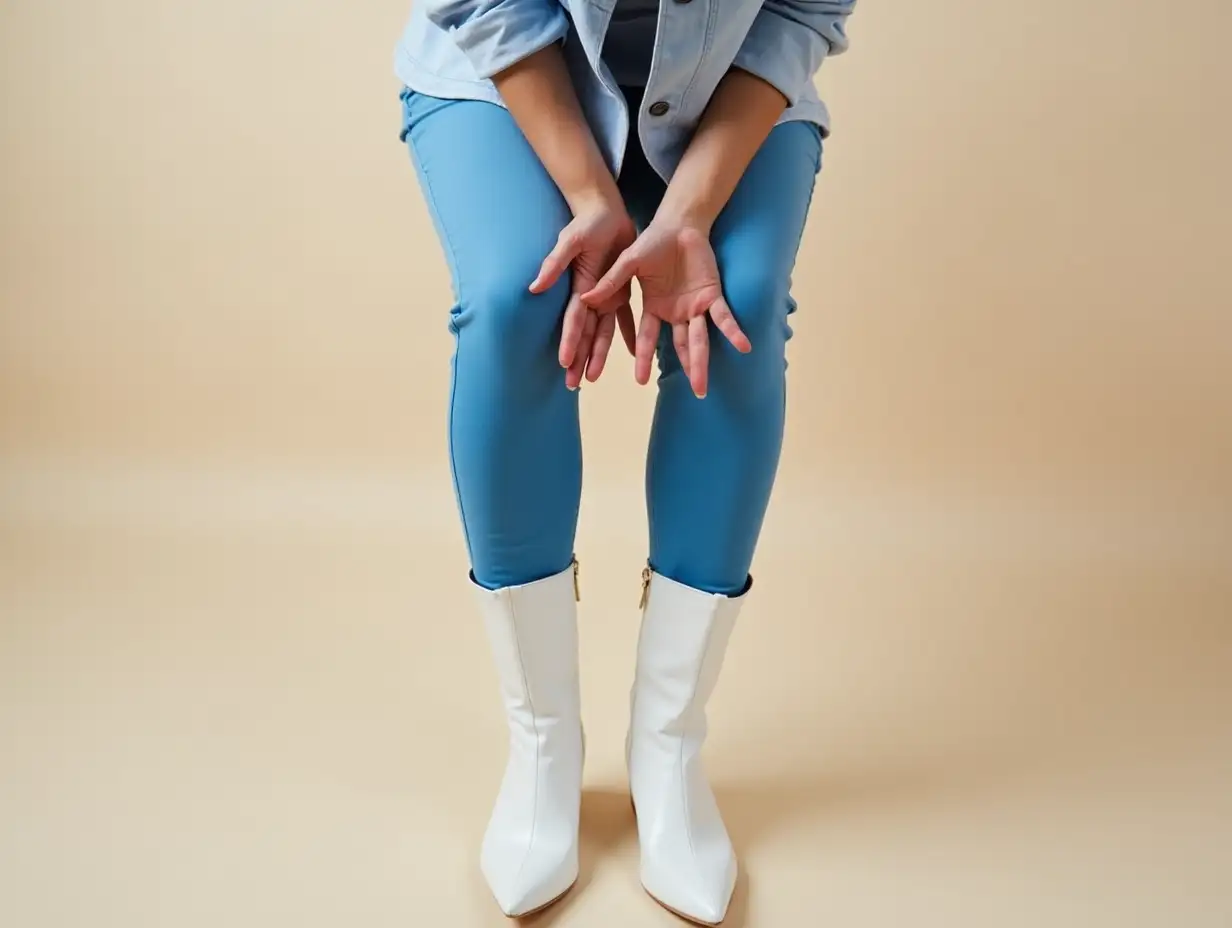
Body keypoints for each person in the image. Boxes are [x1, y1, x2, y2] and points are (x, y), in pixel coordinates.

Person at [394, 1, 855, 922]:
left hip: (732, 91)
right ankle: (542, 745)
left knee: (736, 314)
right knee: (515, 301)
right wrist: (593, 196)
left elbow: (804, 9)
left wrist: (685, 214)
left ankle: (669, 744)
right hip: (508, 72)